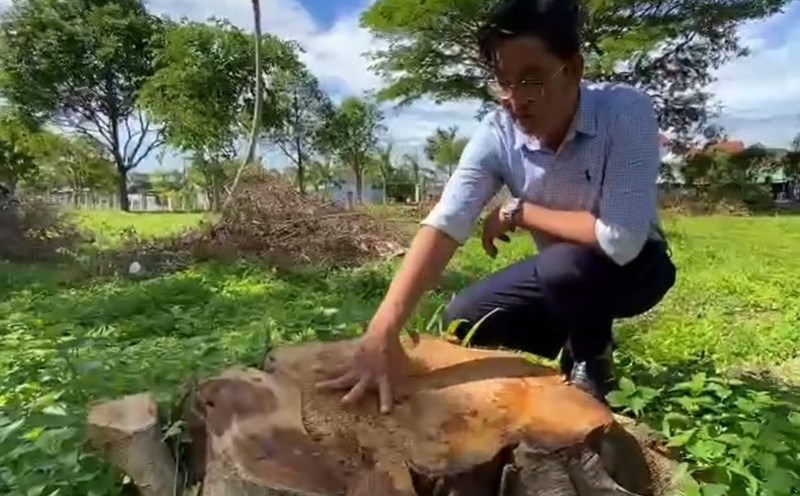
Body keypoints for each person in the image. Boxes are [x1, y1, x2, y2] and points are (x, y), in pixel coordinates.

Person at [316, 0, 677, 412]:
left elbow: (621, 240)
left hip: (638, 270)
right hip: (565, 276)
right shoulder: (498, 134)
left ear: (573, 69)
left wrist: (519, 211)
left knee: (563, 266)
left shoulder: (624, 111)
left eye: (532, 80)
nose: (516, 99)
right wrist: (383, 331)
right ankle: (570, 337)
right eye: (505, 83)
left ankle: (591, 357)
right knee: (465, 319)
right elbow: (447, 220)